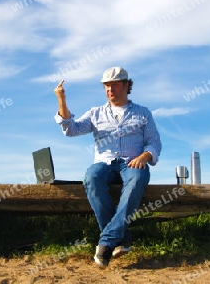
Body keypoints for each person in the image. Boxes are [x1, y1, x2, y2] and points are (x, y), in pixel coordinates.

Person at [53, 66, 162, 269]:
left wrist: (145, 156)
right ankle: (121, 239)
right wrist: (61, 100)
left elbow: (154, 142)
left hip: (132, 163)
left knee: (138, 178)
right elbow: (71, 129)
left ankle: (106, 242)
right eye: (106, 86)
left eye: (114, 85)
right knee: (91, 177)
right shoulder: (96, 113)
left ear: (127, 85)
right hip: (104, 163)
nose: (110, 89)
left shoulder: (143, 113)